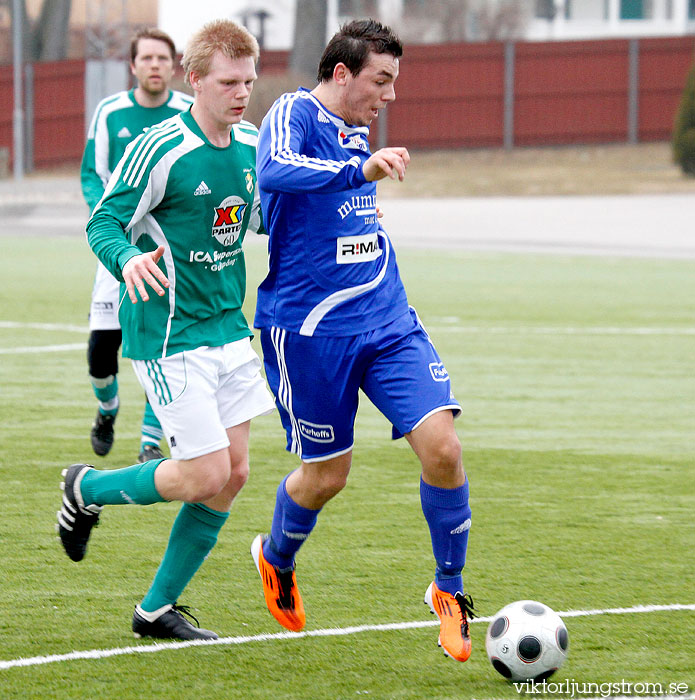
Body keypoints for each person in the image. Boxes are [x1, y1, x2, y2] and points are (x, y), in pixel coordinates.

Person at [250, 19, 476, 662]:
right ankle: (276, 554)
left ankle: (450, 591)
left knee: (444, 447)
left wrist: (362, 170)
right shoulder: (293, 112)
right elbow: (274, 168)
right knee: (326, 477)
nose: (392, 95)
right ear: (342, 73)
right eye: (382, 79)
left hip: (387, 318)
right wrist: (359, 172)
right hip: (311, 331)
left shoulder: (358, 129)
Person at [57, 19, 275, 641]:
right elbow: (104, 223)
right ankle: (88, 487)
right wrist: (126, 260)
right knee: (204, 475)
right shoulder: (160, 147)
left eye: (249, 82)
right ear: (196, 79)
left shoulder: (249, 144)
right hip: (168, 332)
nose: (242, 93)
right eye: (229, 82)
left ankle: (155, 610)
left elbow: (256, 220)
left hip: (229, 329)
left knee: (233, 474)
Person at [81, 27, 193, 462]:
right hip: (119, 248)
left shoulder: (187, 111)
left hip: (168, 251)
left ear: (174, 65)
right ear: (133, 66)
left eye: (162, 59)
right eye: (146, 59)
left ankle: (149, 440)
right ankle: (107, 410)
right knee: (101, 351)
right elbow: (93, 173)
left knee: (160, 340)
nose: (154, 66)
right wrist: (106, 215)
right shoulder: (110, 112)